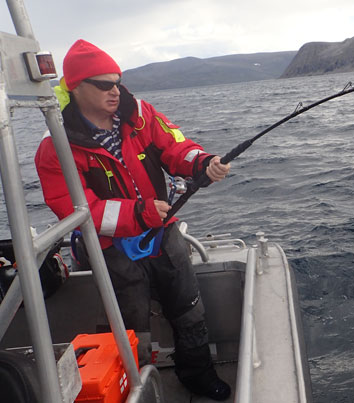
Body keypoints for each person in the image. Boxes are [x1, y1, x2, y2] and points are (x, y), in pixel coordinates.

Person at [35, 39, 231, 401]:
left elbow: (176, 146)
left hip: (163, 234)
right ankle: (135, 388)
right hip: (112, 249)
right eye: (105, 84)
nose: (116, 91)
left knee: (189, 309)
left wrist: (202, 161)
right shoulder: (55, 146)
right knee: (129, 329)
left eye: (118, 81)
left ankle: (198, 374)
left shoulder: (142, 114)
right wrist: (136, 214)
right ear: (76, 87)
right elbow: (75, 211)